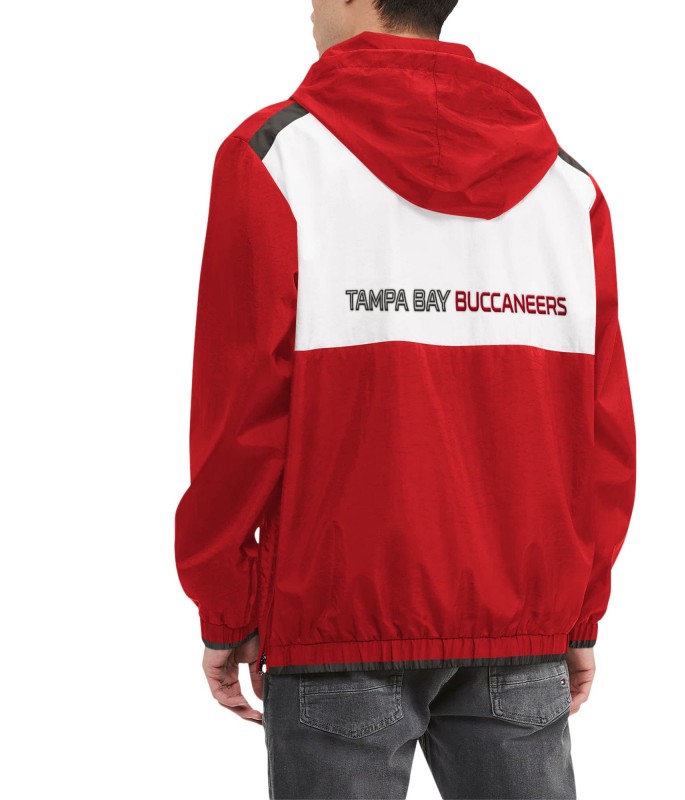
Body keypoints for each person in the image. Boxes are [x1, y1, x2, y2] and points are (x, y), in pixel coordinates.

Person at [174, 1, 637, 797]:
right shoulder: (567, 188)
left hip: (334, 617)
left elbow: (239, 417)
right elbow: (602, 431)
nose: (307, 5)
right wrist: (577, 607)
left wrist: (226, 603)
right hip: (519, 622)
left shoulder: (277, 159)